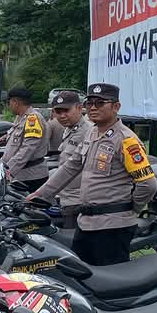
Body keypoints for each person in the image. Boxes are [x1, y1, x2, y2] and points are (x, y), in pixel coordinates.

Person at [30, 83, 157, 266]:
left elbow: (148, 184)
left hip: (112, 226)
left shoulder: (126, 140)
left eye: (100, 103)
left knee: (109, 279)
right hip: (86, 223)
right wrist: (40, 194)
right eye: (89, 103)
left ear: (116, 107)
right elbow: (71, 166)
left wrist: (131, 209)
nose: (92, 108)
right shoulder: (92, 132)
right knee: (79, 274)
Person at [48, 91, 93, 229]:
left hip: (78, 201)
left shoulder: (89, 132)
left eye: (66, 110)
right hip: (67, 198)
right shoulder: (70, 129)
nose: (62, 115)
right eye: (58, 111)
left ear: (79, 108)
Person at [1, 86, 51, 193]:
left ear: (16, 102)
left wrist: (7, 172)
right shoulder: (20, 117)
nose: (9, 106)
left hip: (31, 177)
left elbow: (27, 150)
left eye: (9, 102)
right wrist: (2, 139)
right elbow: (16, 137)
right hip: (21, 175)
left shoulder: (32, 119)